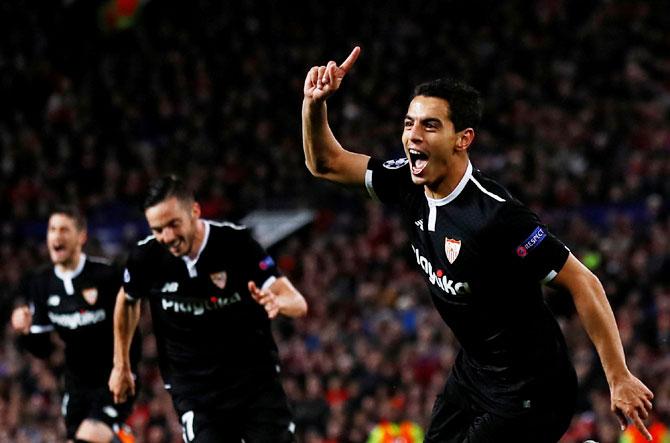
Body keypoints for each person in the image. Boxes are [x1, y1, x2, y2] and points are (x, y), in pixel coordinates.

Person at [301, 47, 654, 443]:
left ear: (463, 138)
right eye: (409, 123)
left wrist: (618, 376)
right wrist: (314, 105)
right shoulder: (406, 182)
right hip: (474, 374)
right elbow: (325, 163)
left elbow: (582, 281)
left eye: (430, 126)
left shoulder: (497, 217)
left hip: (532, 390)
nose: (413, 135)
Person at [108, 175, 308, 442]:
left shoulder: (235, 244)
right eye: (157, 229)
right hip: (194, 392)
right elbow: (127, 300)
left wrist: (279, 302)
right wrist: (120, 366)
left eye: (173, 224)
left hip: (254, 383)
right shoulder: (147, 258)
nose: (166, 237)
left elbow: (297, 302)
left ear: (195, 211)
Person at [10, 206, 139, 443]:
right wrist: (26, 331)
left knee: (88, 437)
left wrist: (125, 368)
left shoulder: (106, 275)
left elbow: (132, 327)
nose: (56, 236)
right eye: (52, 229)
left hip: (112, 376)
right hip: (75, 385)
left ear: (81, 236)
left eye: (64, 230)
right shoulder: (41, 282)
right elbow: (43, 349)